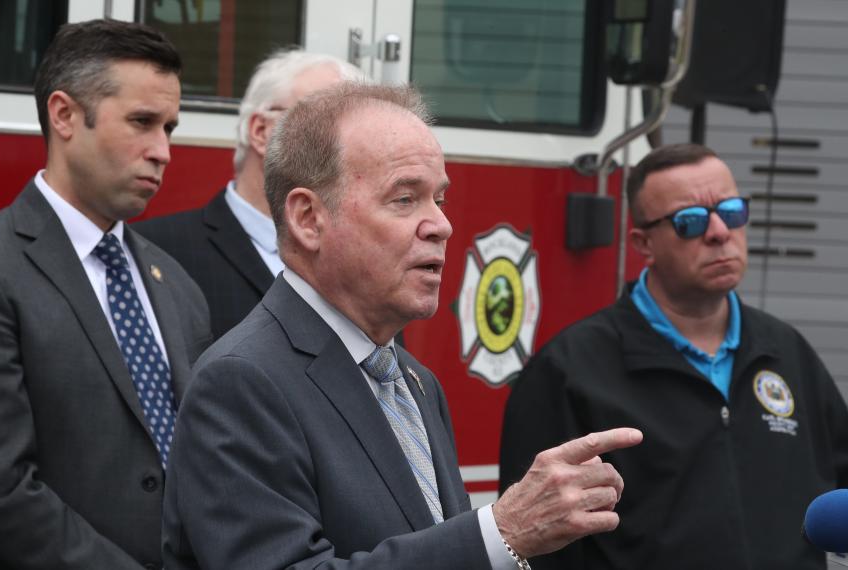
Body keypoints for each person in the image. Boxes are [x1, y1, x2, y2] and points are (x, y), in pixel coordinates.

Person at [163, 82, 643, 569]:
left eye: (440, 199)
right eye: (404, 199)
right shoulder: (241, 381)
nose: (440, 225)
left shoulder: (413, 381)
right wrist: (503, 532)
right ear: (308, 218)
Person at [0, 19, 213, 569]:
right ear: (65, 115)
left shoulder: (177, 285)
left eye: (169, 126)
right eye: (142, 122)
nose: (163, 150)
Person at [499, 143, 848, 569]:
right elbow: (533, 545)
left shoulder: (786, 351)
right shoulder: (570, 370)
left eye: (732, 211)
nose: (719, 232)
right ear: (643, 242)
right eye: (691, 221)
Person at [134, 49, 363, 340]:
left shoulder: (364, 257)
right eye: (325, 123)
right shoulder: (154, 249)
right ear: (261, 131)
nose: (347, 146)